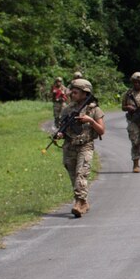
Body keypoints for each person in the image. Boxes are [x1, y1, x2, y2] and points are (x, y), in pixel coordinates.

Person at [56, 74, 105, 217]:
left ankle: (79, 203)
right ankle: (83, 201)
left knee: (81, 174)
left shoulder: (94, 110)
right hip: (69, 146)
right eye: (71, 91)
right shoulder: (67, 109)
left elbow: (102, 130)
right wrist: (60, 134)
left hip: (85, 146)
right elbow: (62, 129)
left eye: (75, 92)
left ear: (85, 93)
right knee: (73, 176)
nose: (72, 94)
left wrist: (90, 121)